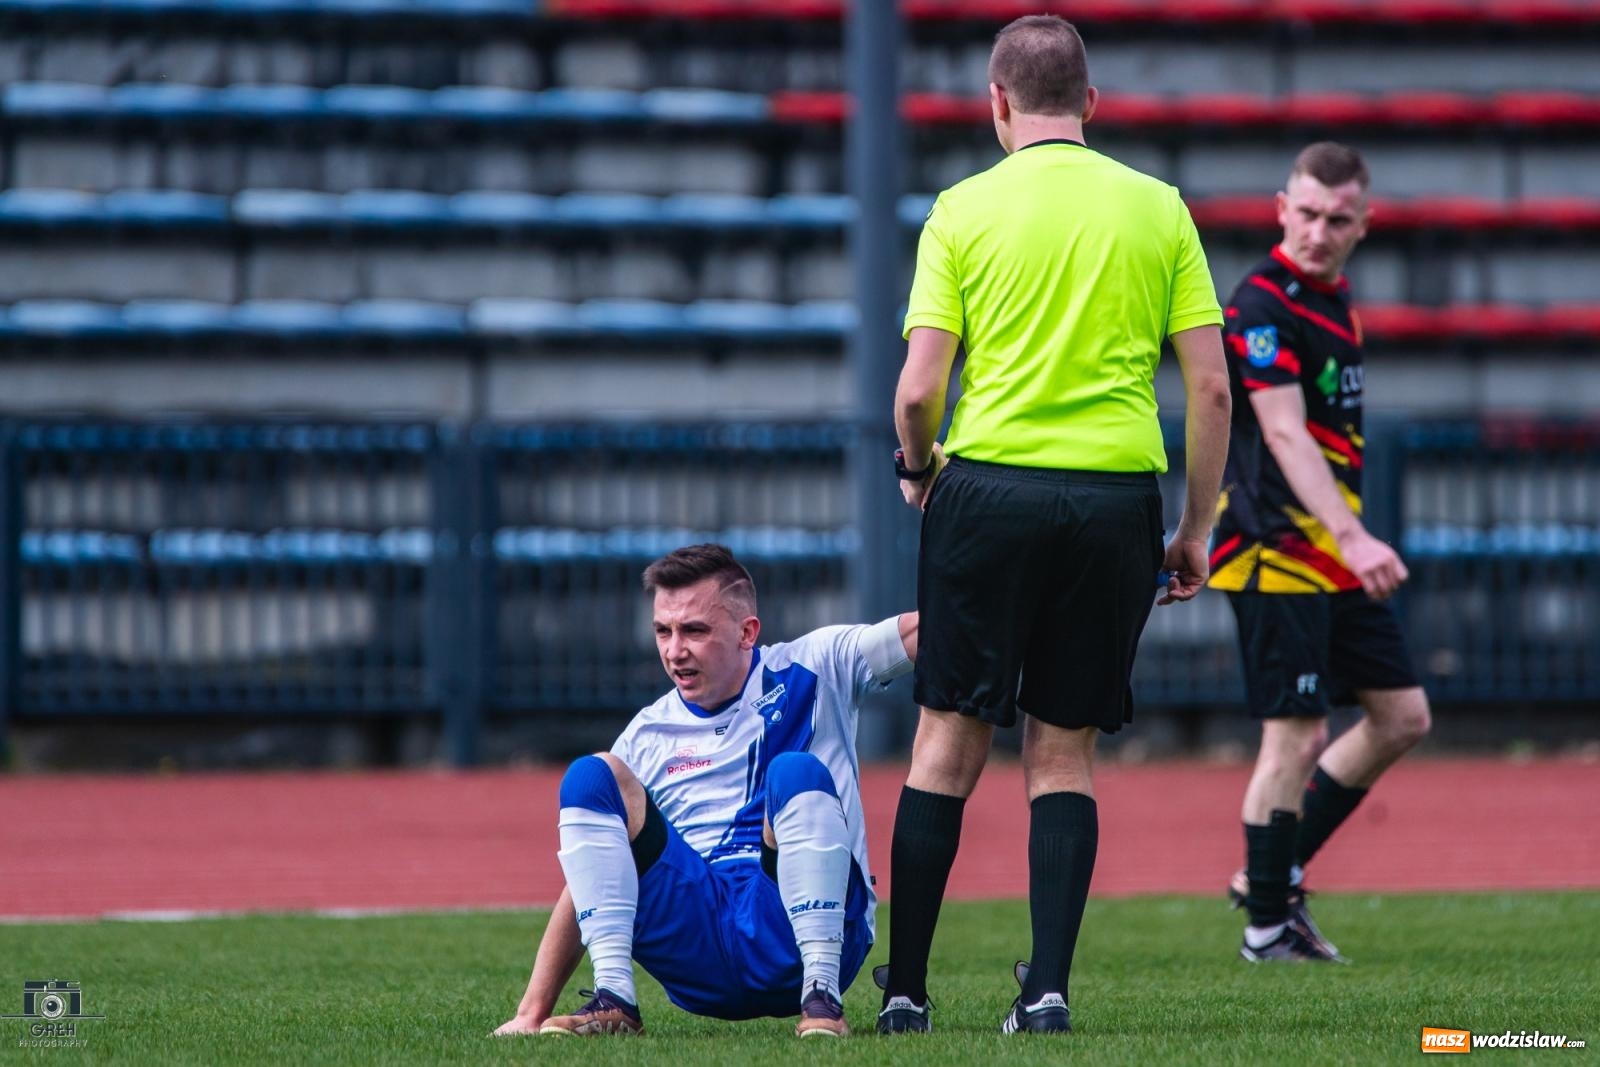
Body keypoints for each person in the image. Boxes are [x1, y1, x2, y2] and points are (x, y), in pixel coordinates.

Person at [879, 15, 1232, 1036]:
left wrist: (919, 466)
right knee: (1062, 749)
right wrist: (1194, 530)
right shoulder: (1158, 207)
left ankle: (904, 990)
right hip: (1114, 495)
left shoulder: (961, 208)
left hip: (985, 488)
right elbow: (1209, 391)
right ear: (1091, 102)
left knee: (946, 736)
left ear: (995, 102)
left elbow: (914, 392)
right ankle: (1046, 992)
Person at [493, 543, 918, 1039]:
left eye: (694, 630)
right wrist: (532, 1011)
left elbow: (923, 631)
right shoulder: (646, 735)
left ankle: (823, 1000)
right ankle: (614, 1001)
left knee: (795, 772)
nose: (675, 651)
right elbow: (594, 873)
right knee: (592, 775)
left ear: (747, 632)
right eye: (663, 631)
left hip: (794, 928)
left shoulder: (817, 664)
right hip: (699, 943)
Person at [1208, 142, 1431, 962]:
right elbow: (1283, 433)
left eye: (1338, 218)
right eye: (1305, 212)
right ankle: (1269, 925)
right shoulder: (1261, 302)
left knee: (1402, 714)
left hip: (1330, 552)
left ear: (1363, 225)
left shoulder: (1338, 303)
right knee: (1293, 733)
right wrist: (1354, 534)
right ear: (1280, 208)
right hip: (1275, 549)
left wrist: (1347, 539)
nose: (1318, 230)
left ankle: (1273, 871)